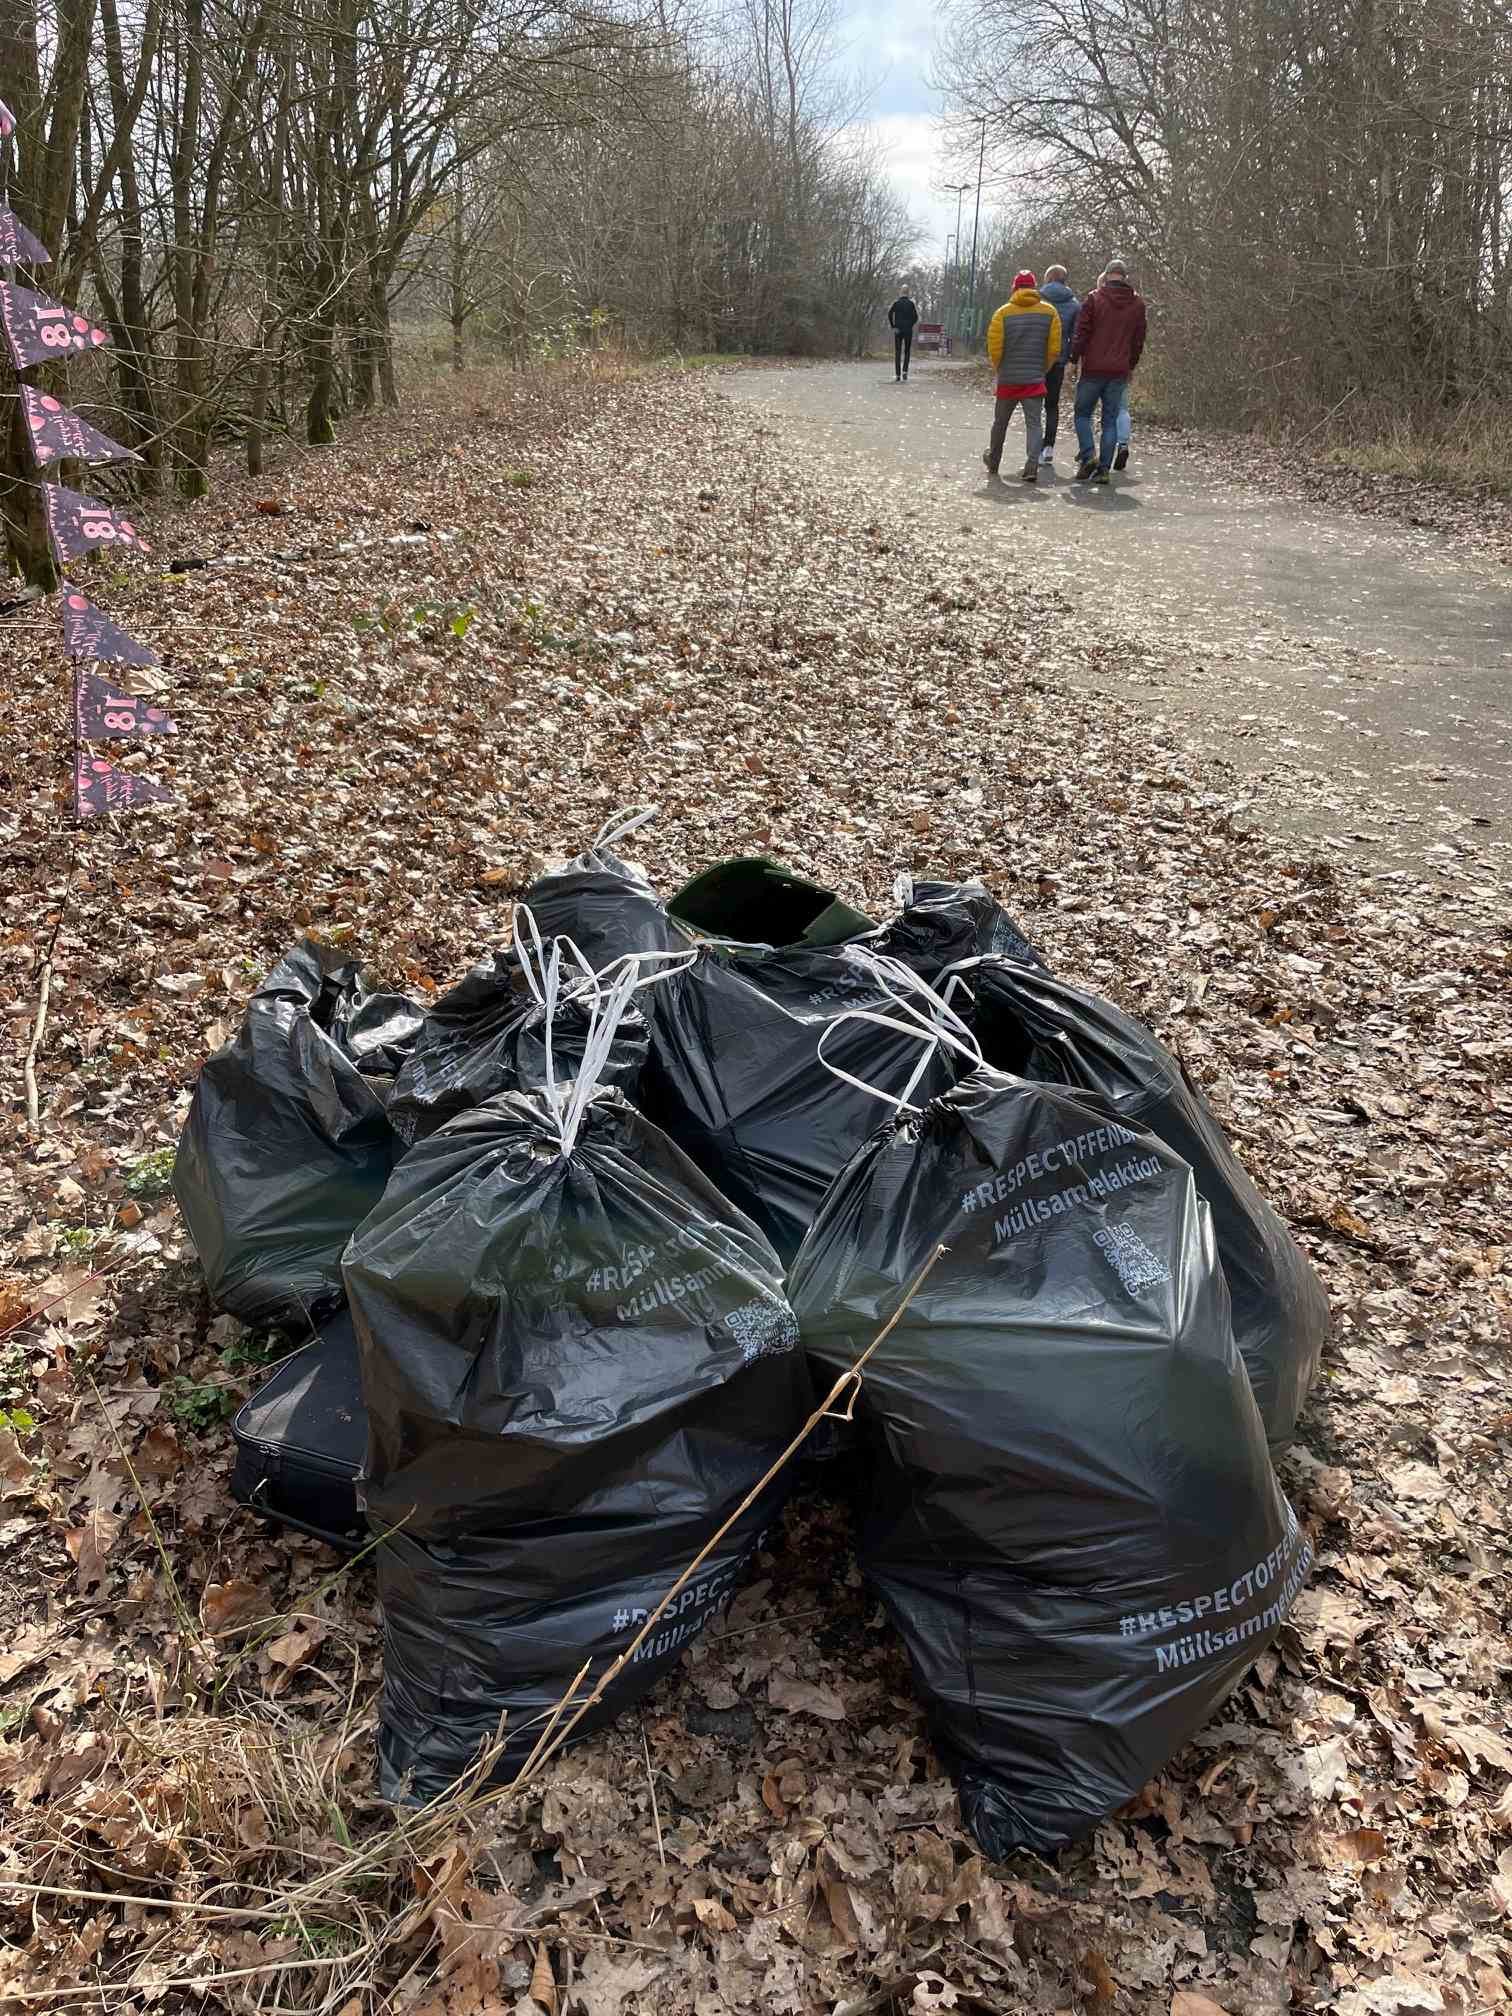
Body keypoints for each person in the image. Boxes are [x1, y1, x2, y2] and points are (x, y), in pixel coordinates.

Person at [981, 269, 1062, 485]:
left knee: (1000, 423)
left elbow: (995, 348)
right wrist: (1042, 369)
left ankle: (994, 461)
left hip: (1008, 378)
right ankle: (1032, 465)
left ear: (1014, 287)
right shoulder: (1050, 312)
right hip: (1034, 379)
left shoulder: (1002, 313)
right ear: (1034, 287)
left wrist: (1000, 370)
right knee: (1034, 424)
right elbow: (1054, 349)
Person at [1070, 257, 1145, 483]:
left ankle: (1088, 455)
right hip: (1118, 370)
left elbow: (1081, 332)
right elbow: (1138, 339)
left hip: (1093, 368)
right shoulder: (1137, 304)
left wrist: (1073, 359)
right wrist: (1130, 364)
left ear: (1106, 274)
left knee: (1082, 414)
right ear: (1125, 277)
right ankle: (1103, 470)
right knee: (1110, 421)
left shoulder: (1094, 299)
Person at [1037, 264, 1080, 467]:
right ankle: (1048, 448)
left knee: (1034, 404)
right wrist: (1072, 360)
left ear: (1048, 279)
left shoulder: (1037, 298)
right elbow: (1075, 335)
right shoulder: (1074, 304)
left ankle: (1034, 447)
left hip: (1036, 359)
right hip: (1058, 360)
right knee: (1052, 405)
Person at [888, 287, 920, 381]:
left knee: (898, 351)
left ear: (900, 292)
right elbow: (916, 317)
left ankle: (897, 375)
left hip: (898, 330)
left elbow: (889, 314)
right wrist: (910, 325)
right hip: (908, 330)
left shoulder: (896, 303)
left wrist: (893, 326)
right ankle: (905, 372)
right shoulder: (911, 304)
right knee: (907, 351)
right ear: (908, 293)